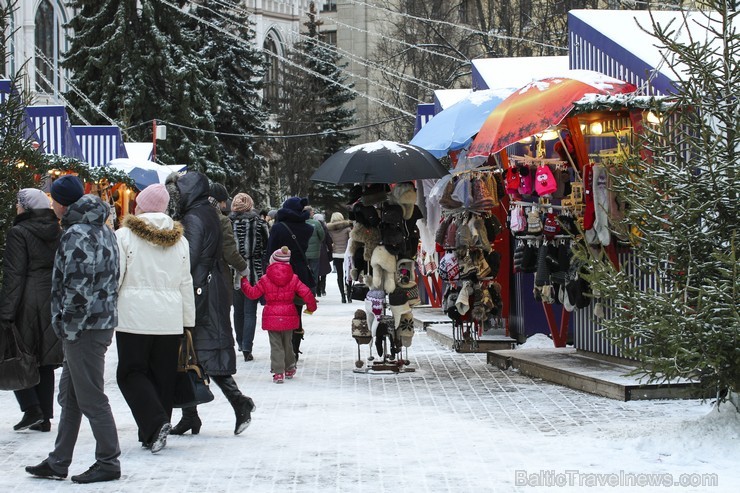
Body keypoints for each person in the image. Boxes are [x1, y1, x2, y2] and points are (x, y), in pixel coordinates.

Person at [25, 175, 121, 484]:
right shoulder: (101, 230)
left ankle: (108, 461)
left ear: (62, 203)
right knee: (70, 397)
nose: (50, 203)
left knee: (91, 397)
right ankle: (58, 460)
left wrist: (69, 327)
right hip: (96, 323)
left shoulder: (77, 234)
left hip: (85, 328)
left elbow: (79, 288)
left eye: (53, 199)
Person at [170, 172, 255, 437]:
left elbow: (190, 258)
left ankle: (237, 401)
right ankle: (191, 415)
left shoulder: (194, 218)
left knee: (198, 351)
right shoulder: (206, 213)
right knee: (190, 352)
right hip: (210, 287)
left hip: (201, 291)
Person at [114, 184, 195, 453]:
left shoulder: (124, 236)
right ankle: (153, 432)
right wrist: (187, 321)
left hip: (133, 317)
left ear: (141, 205)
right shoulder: (180, 240)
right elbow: (186, 282)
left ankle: (155, 422)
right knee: (163, 375)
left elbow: (117, 277)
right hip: (169, 318)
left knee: (130, 372)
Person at [0, 188, 62, 432]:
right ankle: (44, 416)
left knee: (15, 354)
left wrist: (6, 312)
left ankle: (31, 409)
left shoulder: (19, 232)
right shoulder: (55, 230)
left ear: (25, 207)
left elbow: (14, 274)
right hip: (50, 297)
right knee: (44, 358)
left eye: (18, 204)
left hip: (27, 299)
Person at [241, 247, 317, 383]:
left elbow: (253, 294)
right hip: (289, 315)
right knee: (287, 343)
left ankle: (278, 373)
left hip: (272, 317)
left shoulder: (265, 279)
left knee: (276, 345)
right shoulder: (293, 278)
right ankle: (290, 368)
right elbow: (306, 293)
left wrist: (244, 282)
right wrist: (311, 307)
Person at [265, 197, 316, 361]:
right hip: (299, 274)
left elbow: (269, 252)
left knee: (281, 311)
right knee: (297, 313)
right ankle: (294, 349)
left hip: (279, 274)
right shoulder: (307, 229)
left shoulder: (278, 228)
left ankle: (283, 349)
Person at [208, 183, 248, 355]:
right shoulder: (222, 220)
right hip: (217, 274)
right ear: (221, 202)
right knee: (221, 317)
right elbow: (229, 251)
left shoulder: (191, 216)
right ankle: (221, 356)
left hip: (193, 275)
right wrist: (243, 268)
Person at [230, 193, 269, 362]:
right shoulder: (259, 223)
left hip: (233, 273)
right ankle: (247, 346)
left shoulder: (227, 223)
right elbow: (267, 246)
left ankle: (239, 342)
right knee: (250, 312)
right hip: (253, 272)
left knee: (237, 311)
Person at [327, 212, 353, 303]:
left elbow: (329, 241)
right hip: (346, 254)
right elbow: (351, 240)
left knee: (339, 275)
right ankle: (349, 295)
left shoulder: (329, 230)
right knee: (348, 274)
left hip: (336, 254)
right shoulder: (347, 228)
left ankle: (342, 296)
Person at [313, 213, 333, 297]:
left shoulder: (312, 226)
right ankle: (323, 289)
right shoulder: (324, 227)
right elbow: (328, 240)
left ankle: (317, 289)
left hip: (315, 250)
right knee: (324, 271)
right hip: (324, 251)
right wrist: (331, 250)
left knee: (316, 271)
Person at [304, 206, 325, 289]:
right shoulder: (316, 223)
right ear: (310, 213)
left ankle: (304, 293)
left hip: (303, 253)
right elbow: (322, 236)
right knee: (314, 273)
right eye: (312, 212)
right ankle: (312, 293)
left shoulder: (300, 223)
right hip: (315, 253)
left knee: (304, 273)